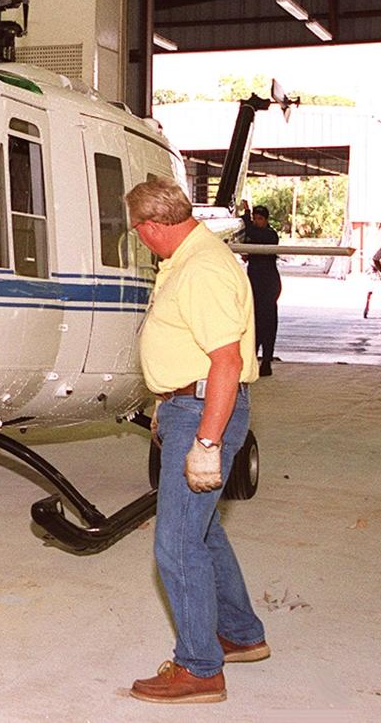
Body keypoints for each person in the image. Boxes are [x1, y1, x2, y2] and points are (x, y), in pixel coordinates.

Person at [125, 177, 268, 705]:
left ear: (154, 225)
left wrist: (207, 441)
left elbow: (226, 361)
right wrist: (166, 401)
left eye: (140, 232)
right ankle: (241, 635)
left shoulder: (202, 268)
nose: (141, 242)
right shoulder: (188, 259)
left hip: (204, 411)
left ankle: (200, 668)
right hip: (188, 405)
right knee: (203, 533)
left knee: (177, 544)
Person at [239, 200, 282, 376]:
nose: (257, 221)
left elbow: (255, 233)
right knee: (254, 322)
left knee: (268, 322)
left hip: (268, 284)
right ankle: (254, 358)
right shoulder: (255, 235)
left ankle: (266, 360)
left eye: (259, 218)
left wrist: (247, 215)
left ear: (266, 220)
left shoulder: (270, 235)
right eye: (255, 218)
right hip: (255, 282)